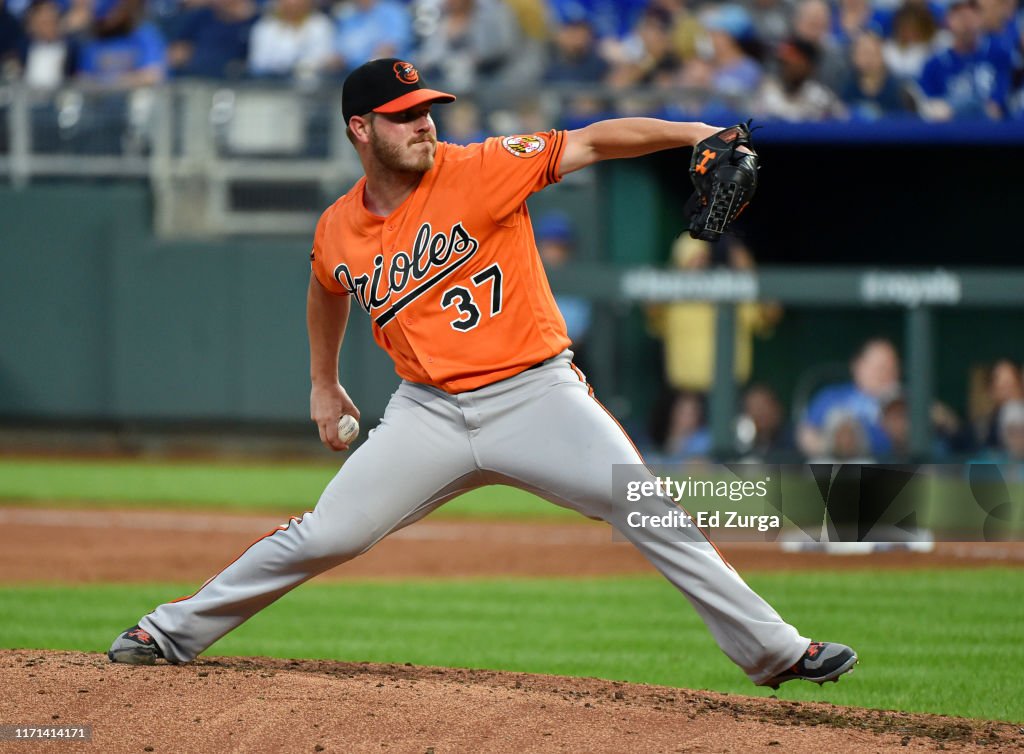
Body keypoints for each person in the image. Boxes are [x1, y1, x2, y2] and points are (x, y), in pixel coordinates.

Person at [108, 57, 857, 691]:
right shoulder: (338, 226)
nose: (425, 123)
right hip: (426, 414)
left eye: (428, 109)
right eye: (403, 115)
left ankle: (775, 650)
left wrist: (699, 134)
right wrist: (322, 381)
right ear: (359, 131)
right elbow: (324, 289)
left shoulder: (482, 167)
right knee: (323, 535)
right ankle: (167, 634)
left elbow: (594, 140)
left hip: (536, 396)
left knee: (647, 504)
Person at [798, 337, 900, 458]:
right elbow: (806, 434)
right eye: (879, 367)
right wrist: (833, 446)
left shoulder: (902, 403)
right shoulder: (832, 396)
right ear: (857, 365)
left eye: (890, 367)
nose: (884, 373)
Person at [916, 0, 1012, 120]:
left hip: (989, 130)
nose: (967, 23)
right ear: (948, 20)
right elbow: (930, 108)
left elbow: (996, 106)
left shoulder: (997, 53)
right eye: (961, 17)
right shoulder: (934, 63)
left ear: (980, 19)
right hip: (948, 132)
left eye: (972, 16)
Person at [168, 0, 257, 80]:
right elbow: (176, 53)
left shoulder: (254, 24)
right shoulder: (202, 17)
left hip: (234, 84)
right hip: (194, 80)